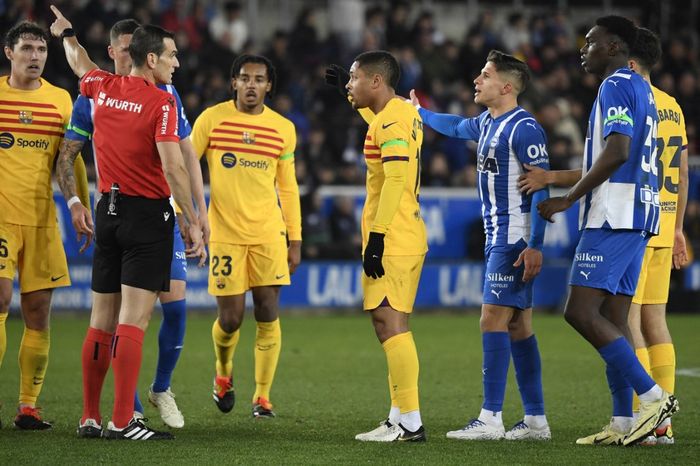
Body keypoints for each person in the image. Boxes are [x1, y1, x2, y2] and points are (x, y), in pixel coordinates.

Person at [519, 27, 689, 446]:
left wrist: (567, 199)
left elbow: (617, 152)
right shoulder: (647, 92)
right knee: (616, 319)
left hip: (615, 213)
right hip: (643, 214)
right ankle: (626, 422)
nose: (583, 51)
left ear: (614, 48)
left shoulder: (615, 84)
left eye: (590, 43)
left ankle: (652, 397)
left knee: (578, 312)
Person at [50, 6, 205, 440]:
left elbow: (79, 62)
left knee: (100, 319)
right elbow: (174, 169)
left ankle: (89, 416)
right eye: (172, 55)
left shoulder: (101, 86)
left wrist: (67, 34)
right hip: (145, 216)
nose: (177, 62)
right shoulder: (161, 102)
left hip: (108, 212)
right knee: (133, 321)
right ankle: (123, 420)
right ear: (151, 59)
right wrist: (191, 218)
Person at [408, 50, 552, 441]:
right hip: (498, 235)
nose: (477, 80)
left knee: (492, 318)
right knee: (519, 326)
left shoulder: (524, 128)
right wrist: (419, 112)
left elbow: (541, 186)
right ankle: (536, 421)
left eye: (485, 75)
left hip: (514, 236)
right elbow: (454, 126)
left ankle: (490, 417)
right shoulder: (488, 122)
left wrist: (535, 243)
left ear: (506, 86)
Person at [190, 54, 301, 419]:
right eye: (244, 78)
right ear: (233, 82)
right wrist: (185, 215)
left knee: (268, 311)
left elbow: (287, 187)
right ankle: (223, 374)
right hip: (224, 234)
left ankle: (263, 397)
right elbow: (185, 167)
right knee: (232, 318)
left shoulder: (282, 128)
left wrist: (295, 239)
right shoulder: (211, 119)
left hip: (269, 233)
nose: (251, 85)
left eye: (258, 79)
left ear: (269, 85)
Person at [326, 50, 428, 442]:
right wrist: (348, 98)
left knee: (390, 326)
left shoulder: (392, 120)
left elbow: (397, 179)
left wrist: (379, 237)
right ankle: (398, 417)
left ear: (376, 82)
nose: (348, 83)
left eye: (353, 78)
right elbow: (381, 126)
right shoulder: (399, 113)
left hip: (395, 238)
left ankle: (411, 423)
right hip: (405, 234)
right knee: (392, 325)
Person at [0, 21, 90, 430]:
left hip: (41, 219)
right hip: (2, 217)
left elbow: (70, 158)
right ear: (9, 53)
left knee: (38, 311)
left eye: (41, 49)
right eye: (27, 49)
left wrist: (82, 207)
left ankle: (28, 407)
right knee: (1, 299)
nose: (35, 56)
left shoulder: (61, 100)